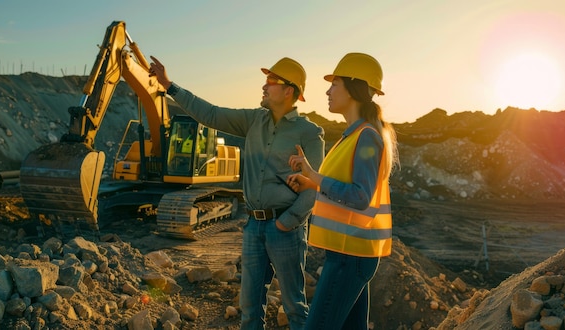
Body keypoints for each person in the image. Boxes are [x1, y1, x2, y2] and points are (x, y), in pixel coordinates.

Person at [149, 55, 325, 329]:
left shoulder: (309, 133)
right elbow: (211, 113)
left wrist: (286, 222)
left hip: (286, 230)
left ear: (289, 90)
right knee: (250, 308)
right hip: (253, 227)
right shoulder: (253, 120)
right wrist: (170, 86)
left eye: (270, 81)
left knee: (295, 308)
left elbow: (313, 188)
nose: (264, 87)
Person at [286, 52, 399, 330]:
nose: (328, 90)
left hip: (352, 256)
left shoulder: (367, 136)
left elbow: (360, 196)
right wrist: (310, 182)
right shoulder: (353, 134)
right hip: (348, 253)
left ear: (353, 88)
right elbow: (348, 190)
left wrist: (315, 176)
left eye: (334, 84)